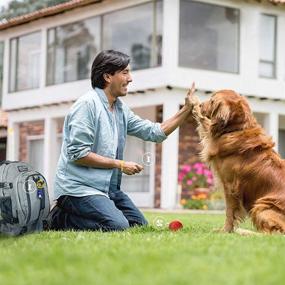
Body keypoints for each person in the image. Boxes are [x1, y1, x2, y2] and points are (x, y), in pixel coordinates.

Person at [48, 50, 196, 231]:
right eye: (125, 72)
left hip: (108, 190)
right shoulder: (87, 106)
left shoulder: (120, 109)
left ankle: (76, 215)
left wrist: (186, 109)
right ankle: (58, 219)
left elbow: (154, 132)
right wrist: (120, 164)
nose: (130, 78)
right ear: (108, 76)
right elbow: (78, 154)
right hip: (77, 189)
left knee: (138, 225)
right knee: (117, 226)